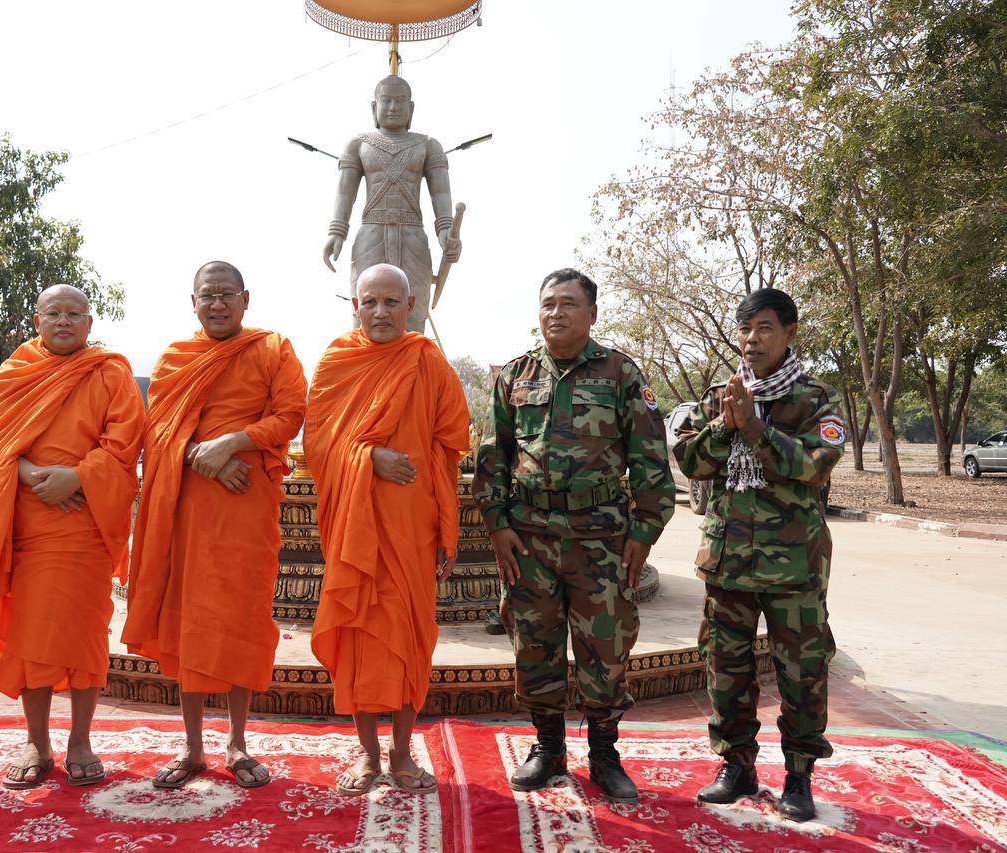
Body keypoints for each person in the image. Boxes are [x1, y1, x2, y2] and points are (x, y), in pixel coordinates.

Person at [472, 269, 674, 803]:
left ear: (592, 314)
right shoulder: (515, 376)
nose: (555, 313)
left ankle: (605, 755)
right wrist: (497, 525)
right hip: (530, 539)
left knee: (605, 648)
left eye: (568, 303)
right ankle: (548, 749)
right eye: (548, 304)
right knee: (534, 644)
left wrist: (645, 531)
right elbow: (492, 457)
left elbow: (650, 459)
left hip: (601, 540)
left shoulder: (621, 374)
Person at [123, 261, 307, 789]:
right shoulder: (176, 358)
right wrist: (202, 457)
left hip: (247, 511)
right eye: (209, 295)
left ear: (246, 299)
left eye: (227, 294)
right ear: (194, 302)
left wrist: (233, 443)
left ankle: (238, 744)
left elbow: (292, 414)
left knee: (242, 620)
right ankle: (192, 747)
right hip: (190, 512)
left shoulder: (273, 349)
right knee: (192, 623)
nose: (218, 304)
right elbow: (157, 434)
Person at [0, 284, 143, 790]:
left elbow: (125, 441)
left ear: (90, 322)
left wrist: (77, 477)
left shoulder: (110, 372)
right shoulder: (15, 372)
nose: (64, 321)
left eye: (74, 314)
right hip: (30, 523)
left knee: (84, 635)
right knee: (32, 636)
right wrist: (33, 475)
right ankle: (36, 743)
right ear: (37, 321)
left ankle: (81, 741)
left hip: (85, 525)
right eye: (54, 313)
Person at [672, 288, 843, 822]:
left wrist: (755, 428)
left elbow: (815, 465)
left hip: (794, 566)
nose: (752, 339)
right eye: (745, 329)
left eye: (764, 328)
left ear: (790, 333)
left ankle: (799, 776)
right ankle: (737, 767)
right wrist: (726, 424)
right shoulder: (721, 396)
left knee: (802, 673)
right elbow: (692, 461)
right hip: (727, 563)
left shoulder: (815, 400)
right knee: (726, 668)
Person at [305, 263, 468, 795]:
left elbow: (449, 449)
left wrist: (447, 531)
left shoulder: (428, 362)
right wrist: (368, 457)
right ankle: (367, 754)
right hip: (355, 530)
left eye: (391, 302)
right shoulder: (336, 362)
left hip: (411, 529)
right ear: (355, 305)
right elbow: (317, 445)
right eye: (370, 302)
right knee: (358, 637)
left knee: (408, 640)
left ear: (411, 305)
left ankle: (401, 753)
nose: (380, 312)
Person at [322, 75, 461, 334]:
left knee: (414, 313)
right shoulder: (358, 144)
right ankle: (364, 359)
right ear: (374, 107)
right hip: (371, 233)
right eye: (386, 101)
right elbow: (345, 192)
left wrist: (446, 232)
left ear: (411, 108)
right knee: (364, 309)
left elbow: (440, 193)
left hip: (413, 237)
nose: (394, 107)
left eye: (400, 101)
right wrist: (336, 232)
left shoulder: (428, 145)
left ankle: (412, 359)